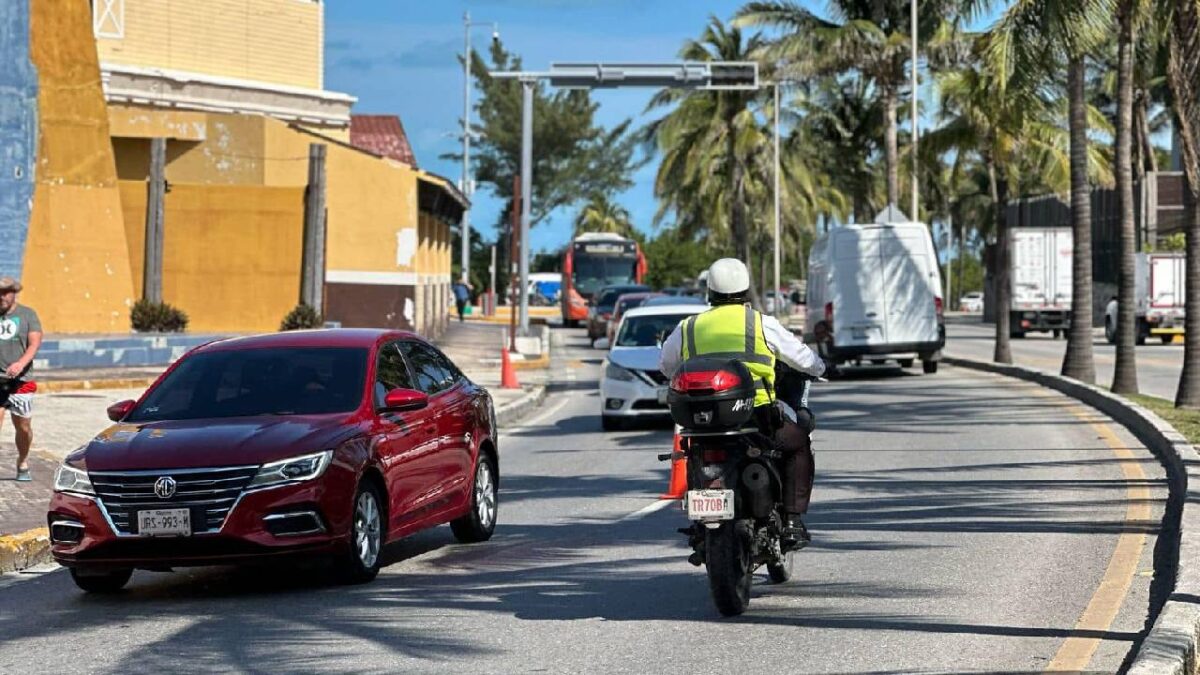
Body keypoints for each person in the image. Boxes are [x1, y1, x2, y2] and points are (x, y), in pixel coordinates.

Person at [660, 258, 825, 546]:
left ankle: (700, 525)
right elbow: (805, 360)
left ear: (710, 290)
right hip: (756, 417)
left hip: (704, 421)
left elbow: (665, 366)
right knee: (798, 444)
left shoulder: (688, 327)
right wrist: (819, 367)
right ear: (746, 289)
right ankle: (792, 521)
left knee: (694, 451)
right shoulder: (760, 323)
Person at [0, 278, 43, 482]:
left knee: (23, 428)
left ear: (13, 293)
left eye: (5, 292)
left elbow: (34, 344)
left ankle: (23, 460)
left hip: (20, 382)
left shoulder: (27, 314)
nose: (1, 297)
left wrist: (20, 363)